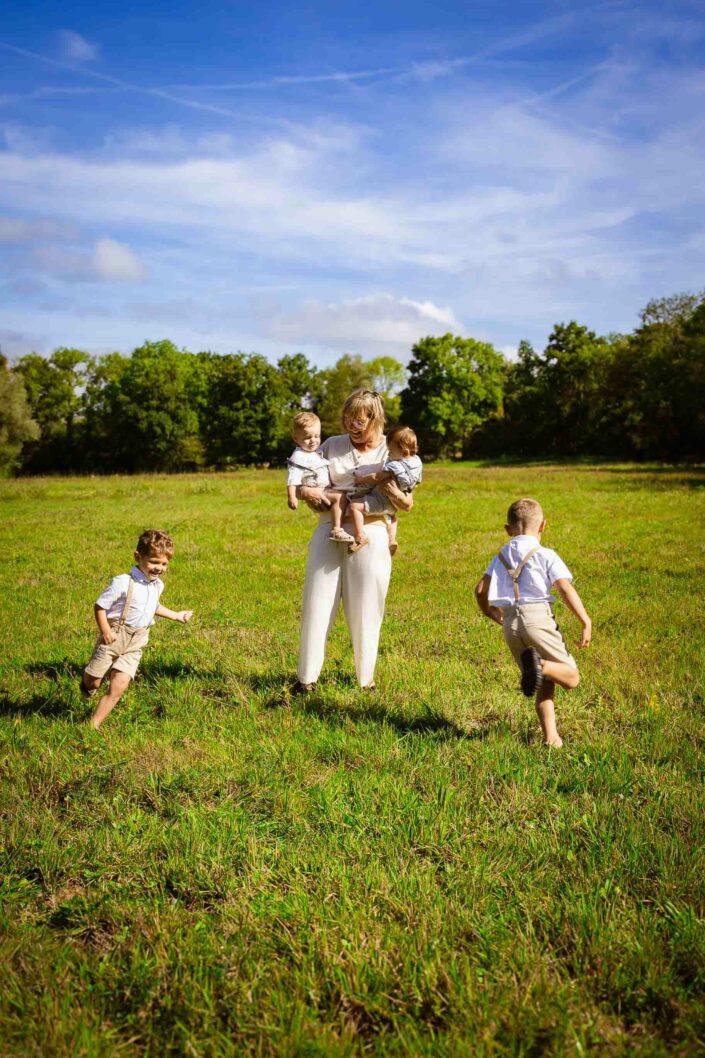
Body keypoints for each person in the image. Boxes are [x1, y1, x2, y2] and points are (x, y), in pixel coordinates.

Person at [295, 389, 413, 691]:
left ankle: (365, 680)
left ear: (374, 419)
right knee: (316, 604)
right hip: (329, 529)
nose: (351, 426)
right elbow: (303, 478)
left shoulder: (391, 451)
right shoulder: (331, 445)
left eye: (358, 421)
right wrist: (306, 494)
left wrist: (382, 483)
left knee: (367, 609)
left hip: (371, 533)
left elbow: (406, 502)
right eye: (347, 419)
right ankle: (306, 680)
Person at [475, 498, 592, 747]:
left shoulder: (500, 556)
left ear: (508, 530)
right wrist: (585, 620)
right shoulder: (545, 554)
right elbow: (564, 587)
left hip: (511, 625)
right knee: (571, 678)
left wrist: (490, 612)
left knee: (543, 682)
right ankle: (540, 664)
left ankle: (552, 738)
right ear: (542, 527)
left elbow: (480, 589)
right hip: (537, 618)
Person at [80, 529, 194, 729]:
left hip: (137, 641)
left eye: (164, 563)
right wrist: (106, 630)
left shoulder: (157, 585)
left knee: (119, 685)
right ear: (138, 557)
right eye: (154, 562)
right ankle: (87, 685)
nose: (159, 568)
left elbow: (153, 607)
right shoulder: (123, 582)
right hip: (115, 636)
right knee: (94, 682)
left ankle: (93, 725)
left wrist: (176, 615)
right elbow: (100, 606)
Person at [349, 424, 422, 555]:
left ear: (404, 452)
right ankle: (392, 539)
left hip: (382, 499)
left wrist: (360, 479)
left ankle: (360, 536)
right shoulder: (417, 463)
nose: (389, 455)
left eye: (391, 452)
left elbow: (376, 477)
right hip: (395, 504)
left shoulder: (395, 465)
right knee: (392, 516)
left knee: (354, 506)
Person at [286, 411, 355, 544]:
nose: (313, 441)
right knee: (340, 497)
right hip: (318, 489)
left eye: (317, 436)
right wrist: (292, 497)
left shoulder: (314, 452)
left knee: (339, 497)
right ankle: (336, 529)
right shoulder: (299, 456)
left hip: (323, 490)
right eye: (307, 437)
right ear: (296, 439)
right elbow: (292, 479)